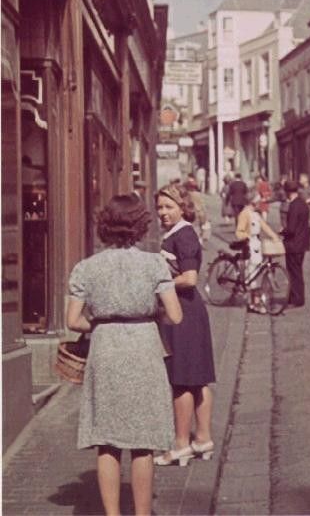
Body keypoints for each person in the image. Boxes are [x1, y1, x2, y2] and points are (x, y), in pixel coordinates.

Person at [66, 194, 183, 516]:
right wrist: (148, 311)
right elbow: (175, 315)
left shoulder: (86, 268)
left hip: (105, 348)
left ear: (105, 226)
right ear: (140, 226)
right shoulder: (153, 263)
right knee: (143, 440)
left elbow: (72, 320)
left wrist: (102, 320)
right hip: (144, 346)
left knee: (107, 440)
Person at [154, 184, 216, 467]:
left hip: (183, 312)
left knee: (181, 381)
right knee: (198, 377)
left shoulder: (183, 234)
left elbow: (189, 278)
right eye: (160, 207)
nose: (163, 212)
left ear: (182, 207)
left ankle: (181, 445)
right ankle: (202, 439)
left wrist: (157, 284)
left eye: (168, 207)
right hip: (188, 311)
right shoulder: (180, 233)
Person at [235, 190, 282, 313]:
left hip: (257, 245)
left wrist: (274, 237)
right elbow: (239, 232)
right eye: (258, 199)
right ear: (253, 201)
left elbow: (264, 226)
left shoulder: (255, 214)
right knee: (252, 274)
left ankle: (256, 301)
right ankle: (253, 303)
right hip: (249, 246)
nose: (260, 202)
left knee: (258, 274)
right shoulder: (244, 214)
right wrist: (247, 236)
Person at [281, 180, 310, 307]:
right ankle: (298, 297)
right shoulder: (303, 204)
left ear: (287, 192)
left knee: (293, 273)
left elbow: (291, 228)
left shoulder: (293, 206)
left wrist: (283, 232)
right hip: (302, 243)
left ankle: (296, 298)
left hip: (293, 244)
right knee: (298, 272)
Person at [184, 178, 211, 242]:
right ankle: (199, 240)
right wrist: (206, 214)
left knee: (194, 227)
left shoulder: (187, 194)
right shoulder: (198, 194)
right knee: (200, 227)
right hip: (200, 212)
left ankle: (196, 240)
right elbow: (203, 205)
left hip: (191, 213)